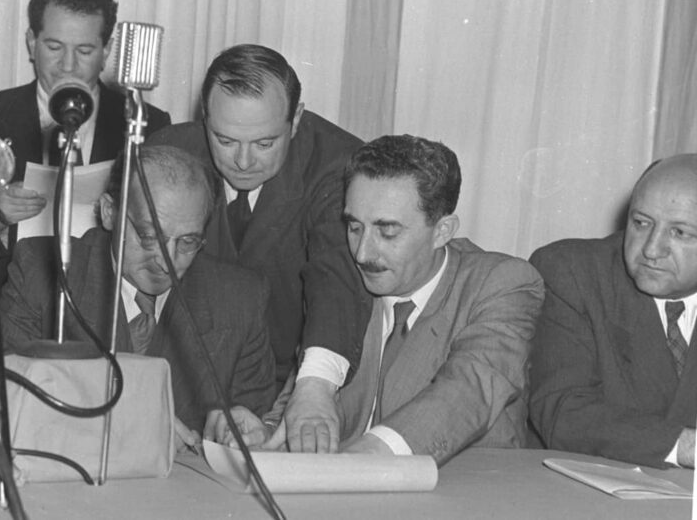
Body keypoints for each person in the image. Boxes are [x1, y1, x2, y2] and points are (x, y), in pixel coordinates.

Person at [213, 135, 543, 464]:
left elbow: (470, 390)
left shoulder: (502, 283)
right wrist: (267, 434)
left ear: (442, 231)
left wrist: (369, 454)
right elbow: (308, 399)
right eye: (355, 227)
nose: (362, 253)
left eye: (387, 232)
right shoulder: (343, 287)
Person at [0, 145, 276, 447]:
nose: (165, 260)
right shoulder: (43, 272)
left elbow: (254, 420)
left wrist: (250, 433)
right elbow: (2, 396)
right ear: (109, 212)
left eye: (188, 241)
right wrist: (126, 419)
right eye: (149, 236)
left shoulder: (240, 298)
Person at [149, 44, 366, 391]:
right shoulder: (167, 156)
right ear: (204, 114)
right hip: (184, 374)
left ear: (295, 119)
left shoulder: (341, 166)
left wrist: (315, 386)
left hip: (295, 378)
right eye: (225, 140)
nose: (244, 162)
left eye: (264, 143)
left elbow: (335, 279)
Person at [0, 0, 172, 258]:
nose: (68, 65)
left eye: (84, 50)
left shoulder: (146, 123)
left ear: (106, 50)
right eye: (54, 47)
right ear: (32, 43)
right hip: (8, 294)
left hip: (106, 292)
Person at [529, 154, 697, 469]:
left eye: (680, 233)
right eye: (641, 223)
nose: (651, 249)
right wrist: (685, 447)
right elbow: (564, 411)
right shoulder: (571, 272)